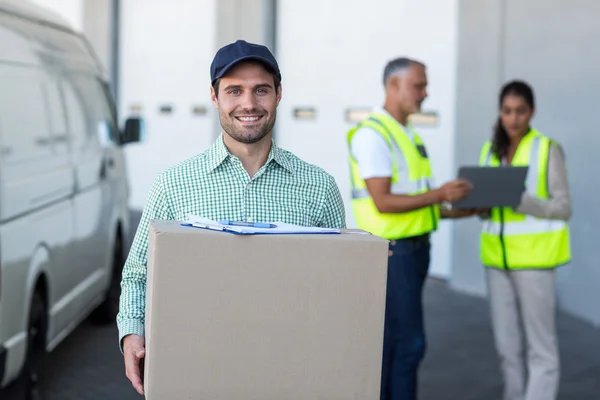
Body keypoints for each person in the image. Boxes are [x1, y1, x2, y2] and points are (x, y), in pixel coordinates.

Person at [117, 39, 346, 396]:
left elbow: (338, 288)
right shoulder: (174, 184)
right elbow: (137, 275)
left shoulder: (319, 188)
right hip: (196, 368)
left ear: (279, 94)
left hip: (290, 371)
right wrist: (132, 333)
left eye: (261, 90)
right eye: (234, 91)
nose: (248, 104)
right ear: (214, 97)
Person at [347, 57, 475, 400]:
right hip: (395, 251)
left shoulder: (406, 132)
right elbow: (384, 201)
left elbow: (415, 201)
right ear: (393, 86)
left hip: (413, 249)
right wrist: (441, 193)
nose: (425, 92)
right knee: (408, 345)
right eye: (419, 85)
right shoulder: (374, 135)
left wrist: (455, 210)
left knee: (394, 344)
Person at [478, 80, 571, 400]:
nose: (513, 118)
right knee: (507, 349)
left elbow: (563, 208)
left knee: (541, 351)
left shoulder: (547, 149)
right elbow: (489, 206)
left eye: (520, 111)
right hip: (496, 261)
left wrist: (520, 200)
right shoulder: (489, 150)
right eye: (506, 111)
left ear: (532, 112)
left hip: (535, 262)